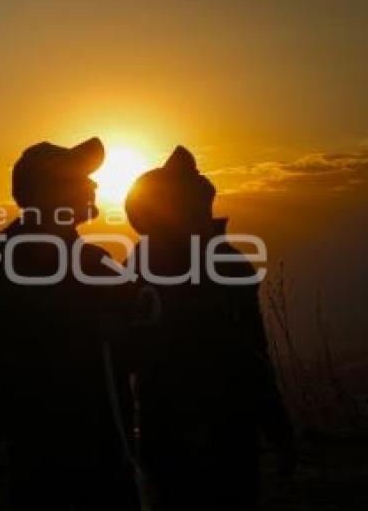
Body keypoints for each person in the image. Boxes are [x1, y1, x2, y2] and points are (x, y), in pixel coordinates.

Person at [123, 146, 295, 511]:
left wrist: (276, 424)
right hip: (185, 424)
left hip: (209, 422)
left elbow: (252, 351)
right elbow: (254, 354)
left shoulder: (143, 265)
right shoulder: (152, 266)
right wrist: (277, 425)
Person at [0, 139, 138, 510]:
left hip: (77, 442)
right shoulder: (32, 257)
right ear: (51, 192)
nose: (94, 185)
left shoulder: (65, 254)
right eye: (80, 178)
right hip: (64, 445)